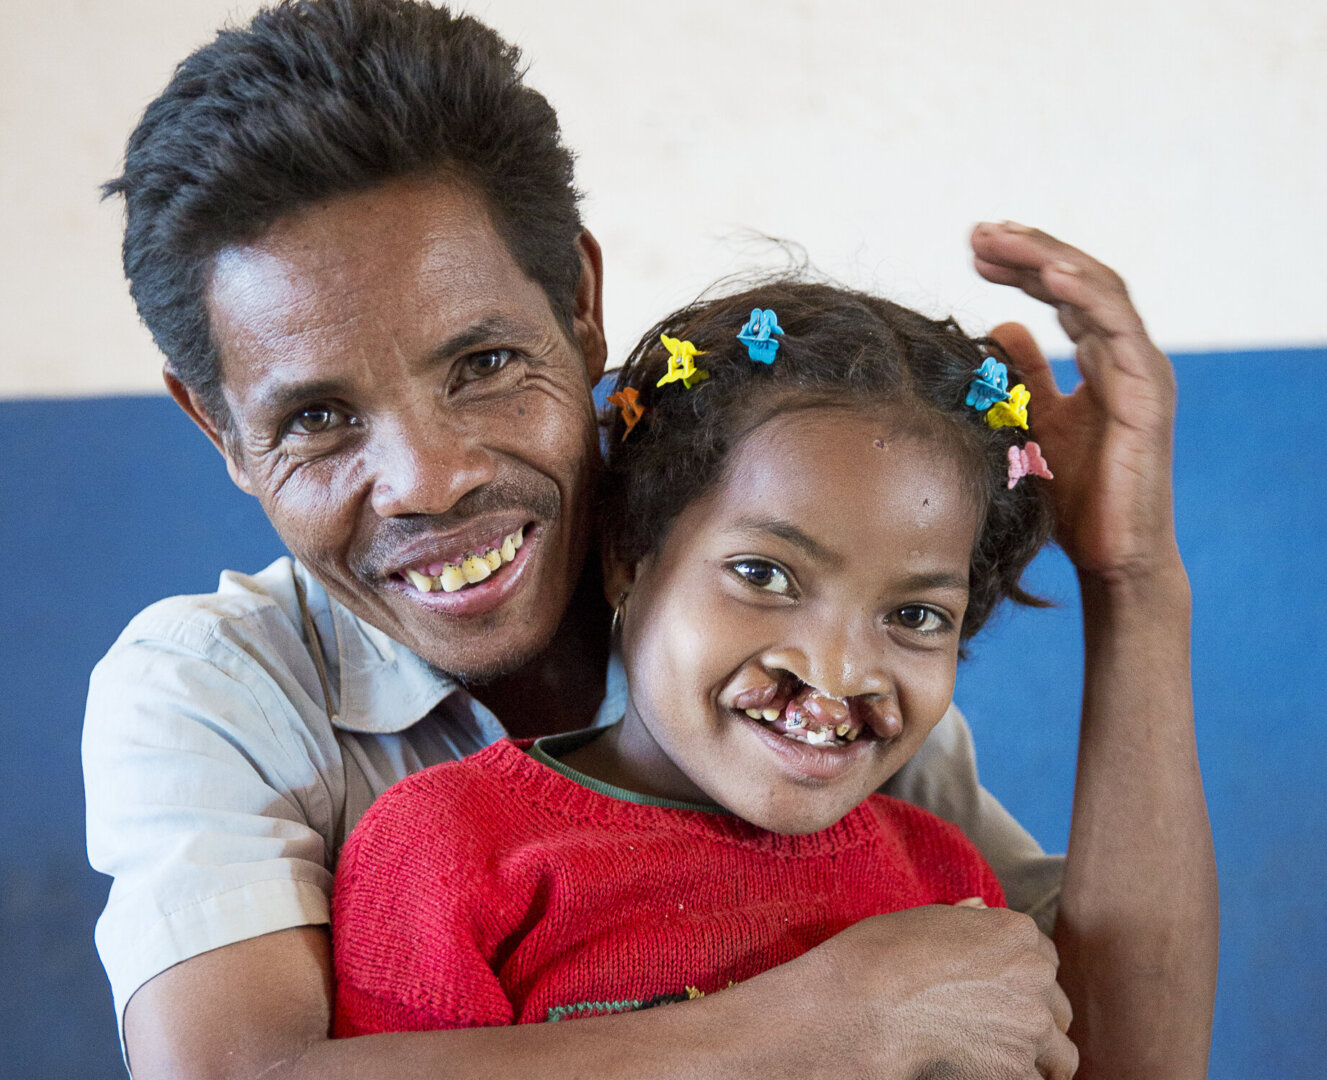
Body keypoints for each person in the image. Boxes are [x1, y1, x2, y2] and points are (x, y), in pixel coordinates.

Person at [84, 0, 1217, 1077]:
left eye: (482, 365)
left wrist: (1134, 584)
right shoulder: (212, 692)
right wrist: (819, 1029)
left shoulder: (801, 645)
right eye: (317, 419)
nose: (428, 482)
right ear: (220, 427)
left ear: (581, 307)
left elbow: (1113, 1057)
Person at [326, 280, 1065, 1034]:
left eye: (915, 615)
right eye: (763, 575)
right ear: (629, 554)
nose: (838, 672)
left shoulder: (944, 878)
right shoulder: (449, 850)